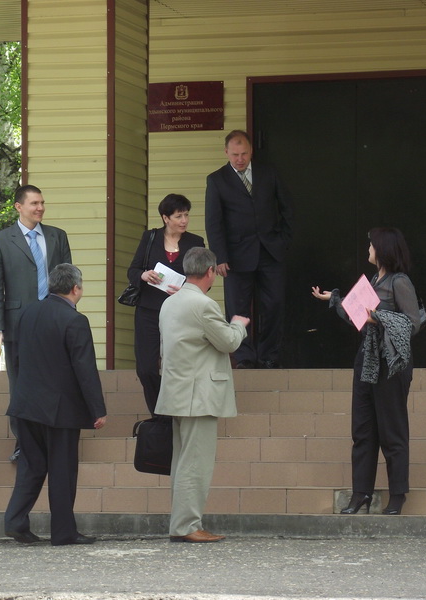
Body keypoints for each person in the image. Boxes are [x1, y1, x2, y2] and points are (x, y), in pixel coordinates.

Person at [311, 227, 422, 515]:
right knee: (362, 431)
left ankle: (397, 495)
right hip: (367, 359)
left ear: (383, 249)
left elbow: (411, 324)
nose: (368, 249)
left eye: (371, 245)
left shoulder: (399, 281)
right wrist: (335, 300)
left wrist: (377, 317)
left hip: (391, 363)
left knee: (392, 431)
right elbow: (359, 318)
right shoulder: (374, 280)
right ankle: (361, 493)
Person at [4, 263, 107, 546]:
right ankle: (63, 532)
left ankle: (15, 521)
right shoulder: (75, 320)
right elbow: (85, 369)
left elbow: (16, 358)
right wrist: (97, 409)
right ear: (75, 288)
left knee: (31, 466)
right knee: (63, 471)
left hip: (25, 404)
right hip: (61, 410)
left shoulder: (27, 313)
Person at [156, 247, 249, 542]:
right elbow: (228, 342)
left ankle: (182, 523)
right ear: (210, 271)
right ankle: (187, 525)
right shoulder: (204, 304)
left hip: (177, 390)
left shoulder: (169, 303)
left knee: (183, 461)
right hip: (200, 394)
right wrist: (239, 324)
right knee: (196, 463)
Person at [0, 184, 72, 462]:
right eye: (34, 203)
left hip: (53, 322)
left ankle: (52, 438)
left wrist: (69, 318)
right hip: (17, 325)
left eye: (42, 203)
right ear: (19, 207)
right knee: (21, 384)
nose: (40, 208)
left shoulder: (58, 236)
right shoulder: (1, 240)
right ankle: (23, 443)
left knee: (54, 380)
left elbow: (68, 281)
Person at [205, 129, 292, 369]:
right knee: (238, 309)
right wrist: (219, 256)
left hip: (270, 251)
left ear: (251, 150)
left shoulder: (269, 173)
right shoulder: (216, 180)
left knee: (274, 304)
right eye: (235, 154)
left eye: (244, 153)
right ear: (226, 152)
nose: (240, 159)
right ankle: (244, 357)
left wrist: (284, 240)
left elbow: (287, 207)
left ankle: (269, 355)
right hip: (235, 256)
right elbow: (213, 222)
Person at [126, 193, 205, 415]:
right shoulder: (149, 237)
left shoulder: (196, 242)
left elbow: (204, 279)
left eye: (186, 215)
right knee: (146, 368)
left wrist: (186, 290)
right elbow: (132, 270)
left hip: (180, 312)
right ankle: (159, 415)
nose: (184, 220)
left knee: (178, 366)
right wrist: (144, 275)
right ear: (165, 218)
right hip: (149, 309)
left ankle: (177, 413)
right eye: (178, 216)